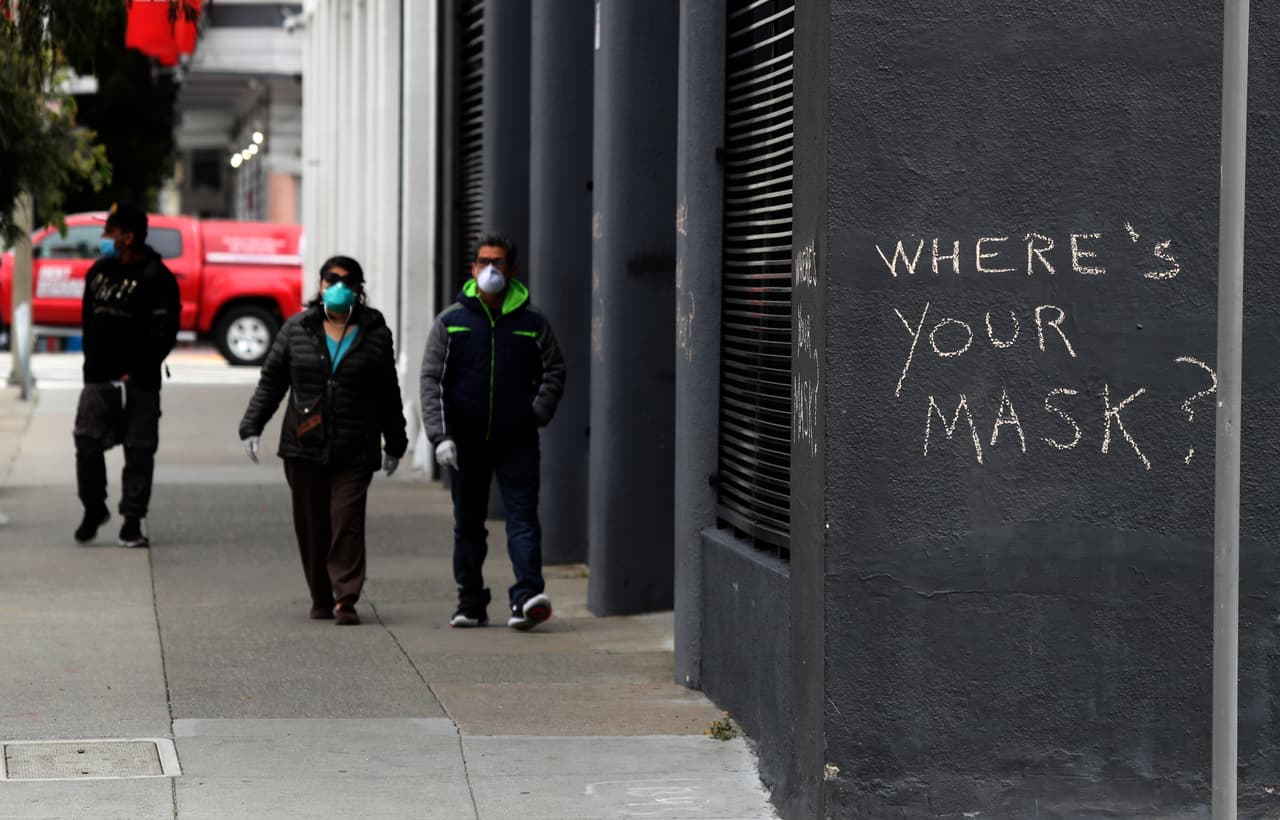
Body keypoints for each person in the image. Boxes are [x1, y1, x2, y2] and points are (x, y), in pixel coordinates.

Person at [238, 256, 407, 626]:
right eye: (331, 279)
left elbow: (387, 392)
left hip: (355, 446)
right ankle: (320, 594)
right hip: (304, 445)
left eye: (347, 280)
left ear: (359, 289)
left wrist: (395, 441)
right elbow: (272, 382)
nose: (338, 285)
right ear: (320, 285)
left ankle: (345, 597)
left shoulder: (375, 332)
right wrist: (252, 426)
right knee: (313, 523)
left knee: (346, 518)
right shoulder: (297, 328)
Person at [420, 233, 566, 630]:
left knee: (523, 518)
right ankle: (470, 601)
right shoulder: (451, 323)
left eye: (498, 262)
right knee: (468, 523)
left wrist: (535, 414)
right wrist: (440, 435)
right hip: (465, 443)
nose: (490, 269)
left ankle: (527, 598)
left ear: (512, 270)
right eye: (484, 261)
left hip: (517, 441)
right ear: (472, 268)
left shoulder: (532, 322)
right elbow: (431, 379)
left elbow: (554, 370)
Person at [73, 202, 180, 548]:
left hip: (140, 381)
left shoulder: (156, 276)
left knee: (139, 450)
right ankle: (94, 508)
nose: (105, 238)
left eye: (111, 232)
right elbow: (88, 321)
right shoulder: (99, 272)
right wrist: (92, 366)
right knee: (87, 444)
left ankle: (132, 521)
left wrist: (140, 369)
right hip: (99, 378)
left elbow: (165, 331)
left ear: (129, 236)